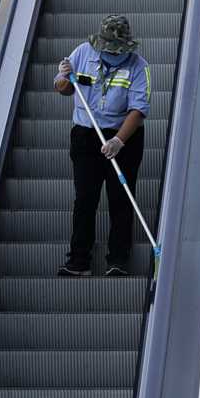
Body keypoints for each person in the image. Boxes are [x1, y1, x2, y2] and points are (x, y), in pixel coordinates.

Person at [53, 15, 151, 277]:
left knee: (121, 198)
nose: (113, 54)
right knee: (85, 197)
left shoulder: (139, 66)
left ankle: (118, 260)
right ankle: (79, 260)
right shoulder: (82, 53)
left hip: (124, 136)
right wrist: (65, 77)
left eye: (118, 50)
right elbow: (63, 88)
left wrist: (119, 140)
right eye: (109, 49)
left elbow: (138, 110)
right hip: (86, 134)